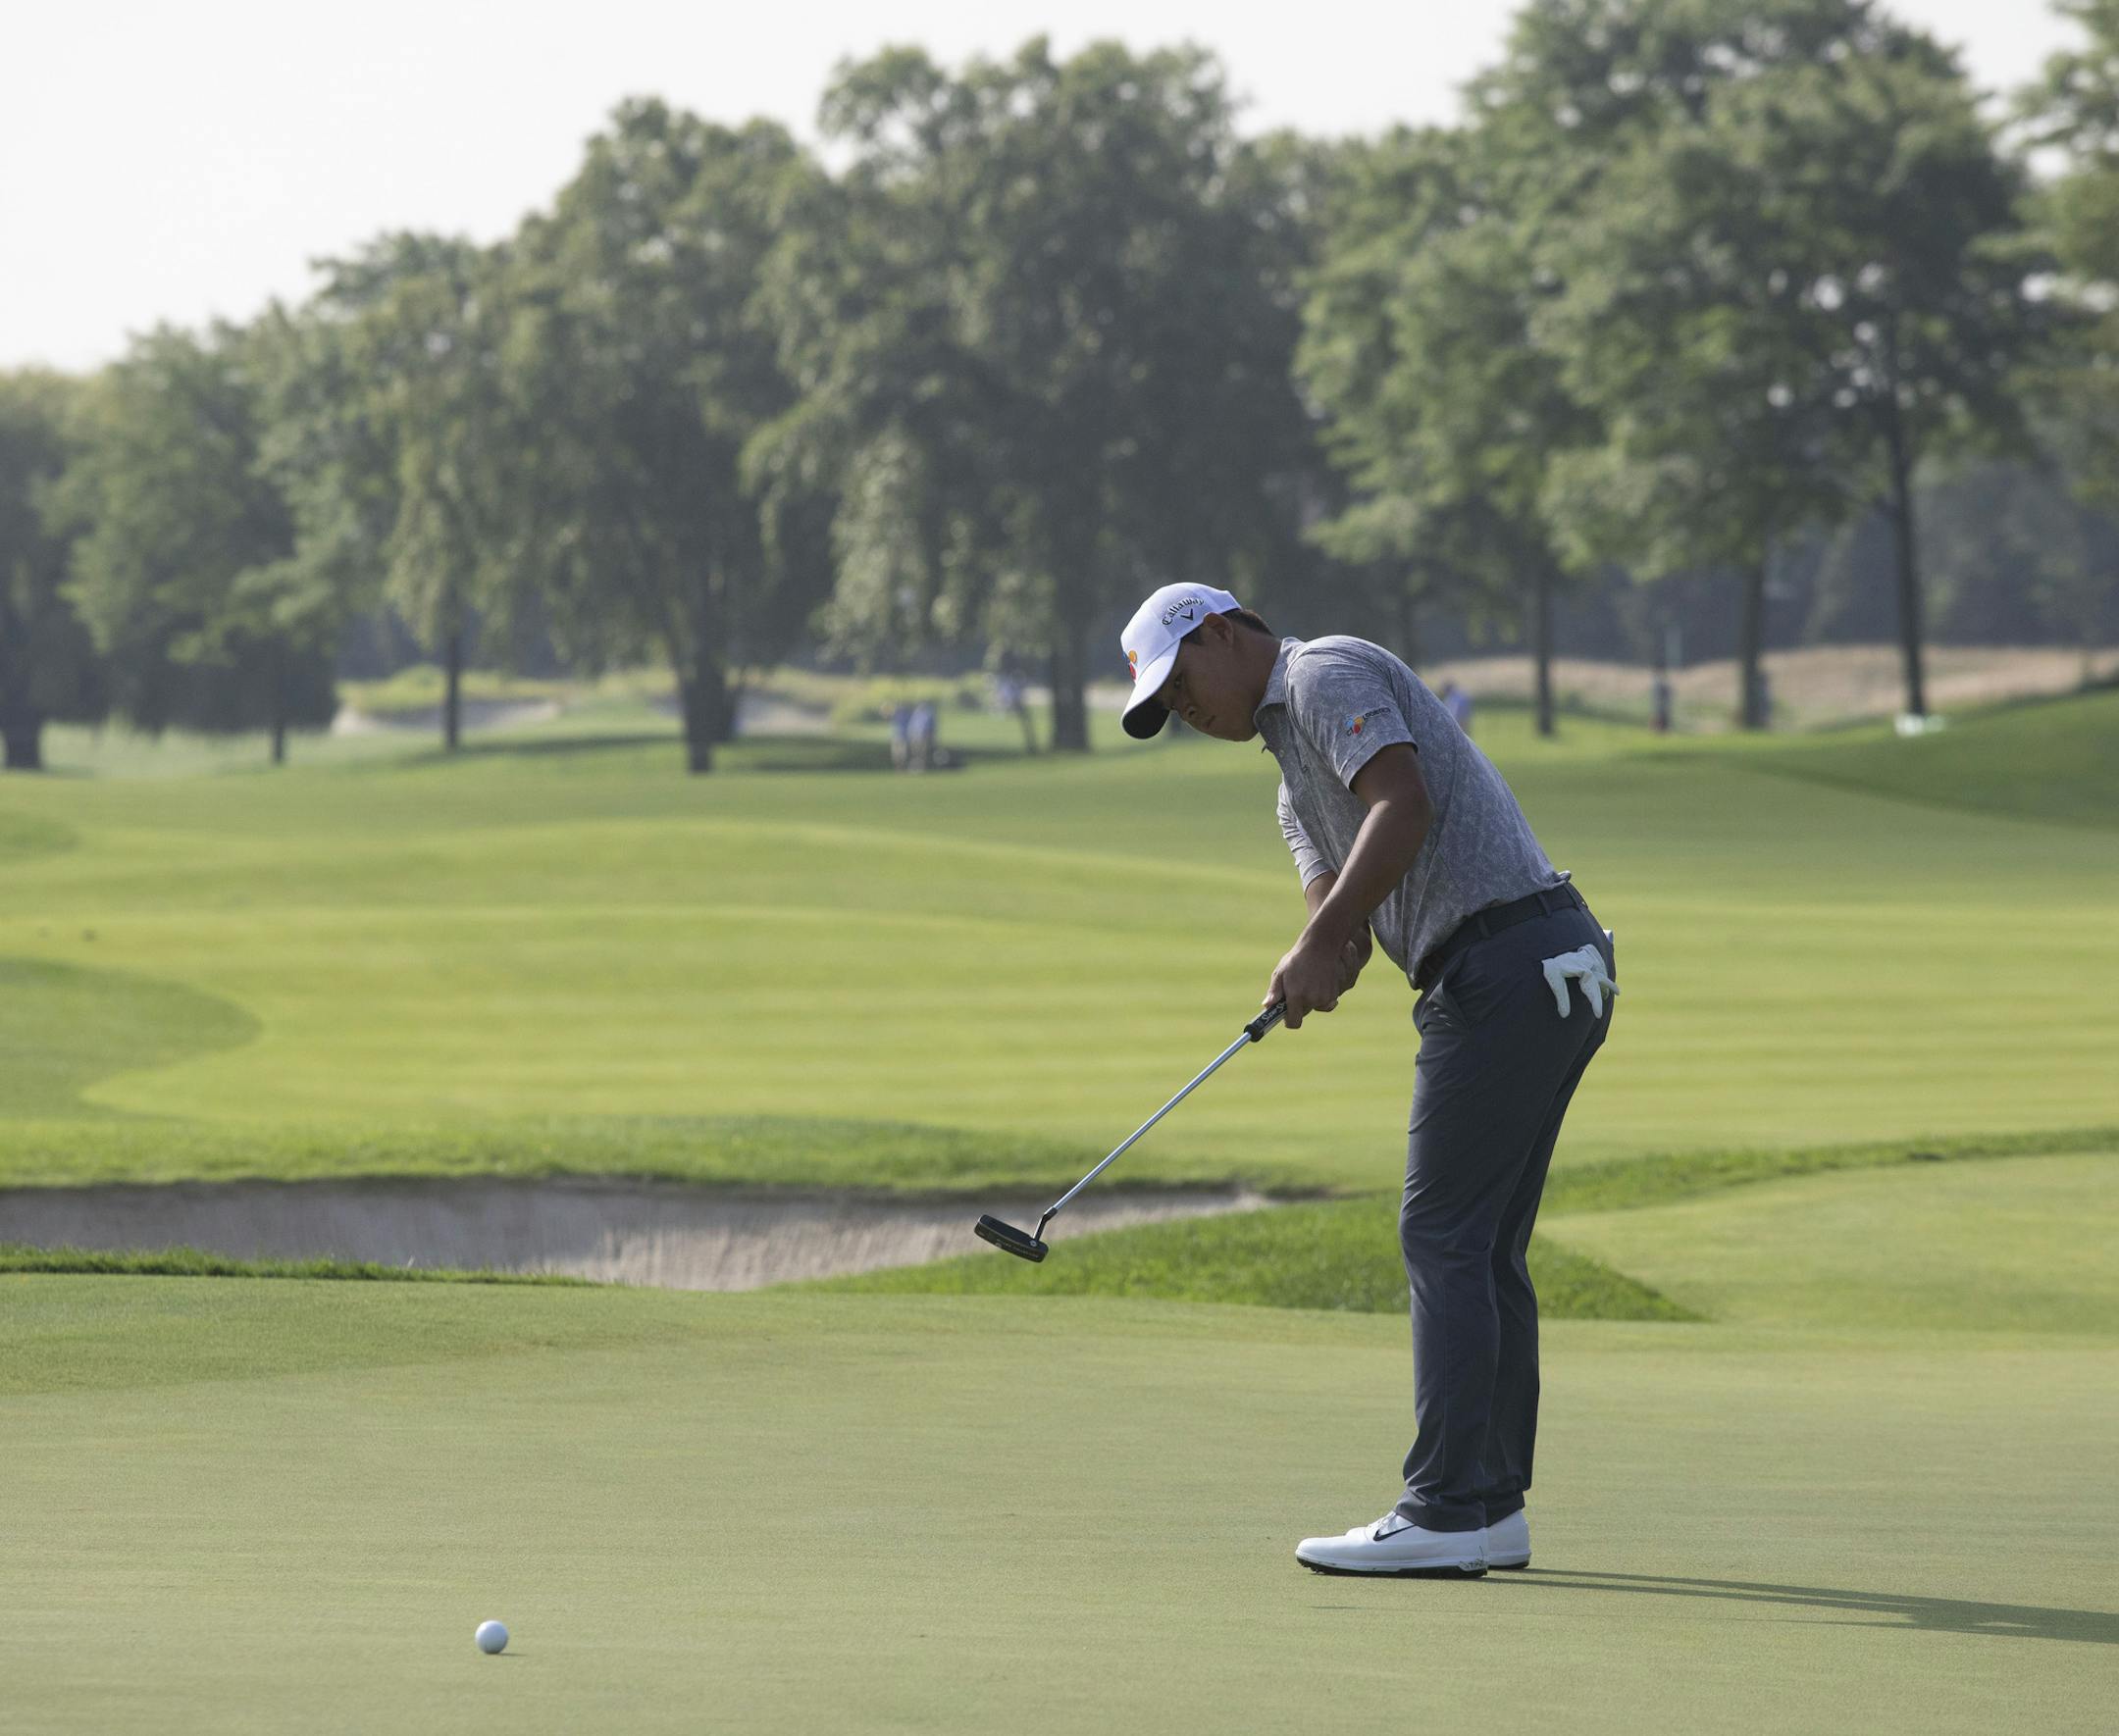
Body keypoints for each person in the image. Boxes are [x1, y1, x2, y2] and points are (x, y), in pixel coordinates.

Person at [1117, 583, 1618, 1579]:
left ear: (1218, 633)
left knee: (1442, 1235)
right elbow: (1340, 927)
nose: (1184, 711)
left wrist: (1325, 938)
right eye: (1165, 707)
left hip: (1506, 964)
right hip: (1541, 965)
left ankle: (1444, 1508)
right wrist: (1319, 956)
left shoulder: (1320, 670)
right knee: (1483, 1247)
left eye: (1181, 686)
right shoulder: (1291, 791)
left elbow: (1403, 802)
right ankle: (1489, 1507)